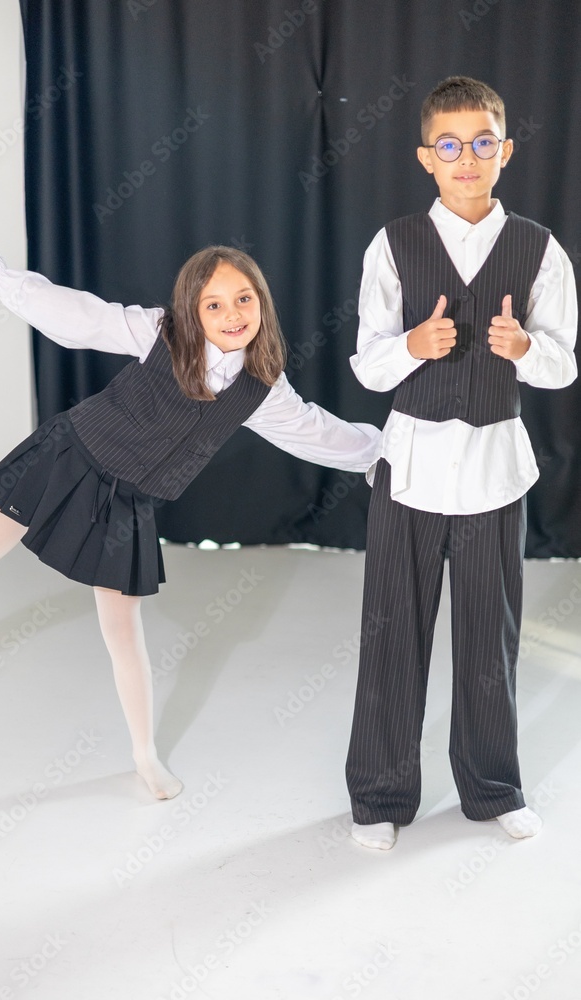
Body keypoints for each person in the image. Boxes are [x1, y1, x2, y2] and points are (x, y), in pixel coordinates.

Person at [0, 239, 380, 801]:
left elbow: (315, 431)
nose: (232, 315)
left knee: (122, 629)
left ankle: (143, 755)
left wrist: (376, 452)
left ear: (263, 303)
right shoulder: (158, 332)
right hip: (70, 459)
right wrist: (3, 279)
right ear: (190, 309)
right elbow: (79, 317)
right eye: (214, 304)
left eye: (243, 299)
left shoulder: (263, 389)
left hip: (128, 500)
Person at [345, 76, 577, 850]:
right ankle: (379, 796)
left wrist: (525, 350)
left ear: (504, 151)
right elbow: (367, 365)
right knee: (391, 636)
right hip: (407, 470)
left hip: (493, 475)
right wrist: (411, 345)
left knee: (488, 639)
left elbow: (563, 364)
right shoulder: (394, 244)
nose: (466, 158)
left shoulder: (539, 250)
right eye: (449, 145)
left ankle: (491, 786)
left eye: (481, 142)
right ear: (425, 157)